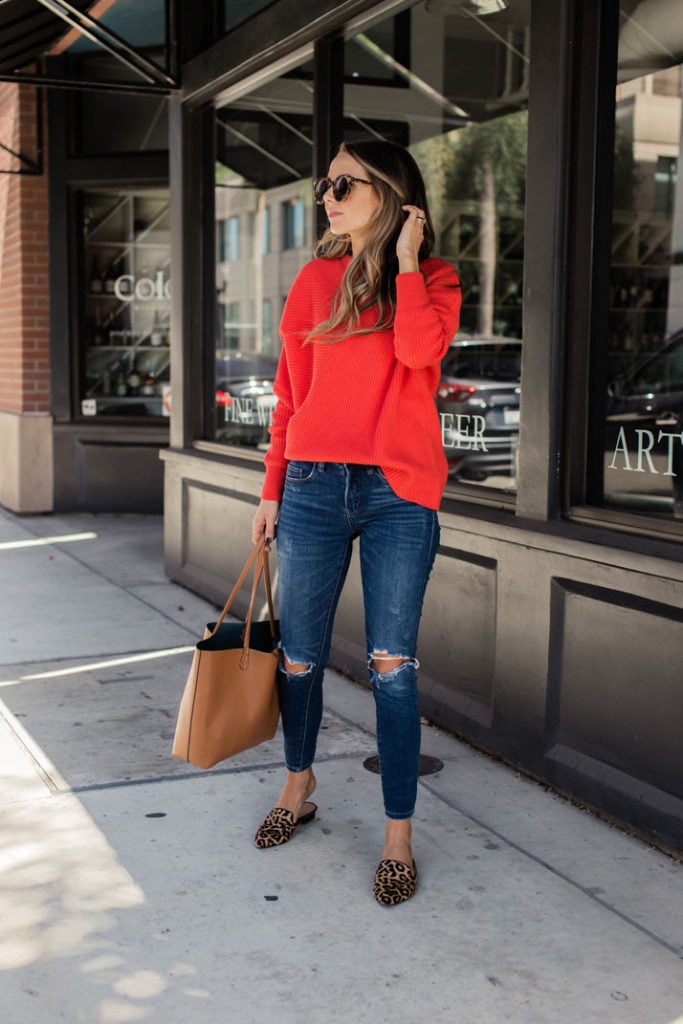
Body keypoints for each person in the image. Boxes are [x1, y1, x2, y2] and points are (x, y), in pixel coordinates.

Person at [250, 139, 462, 906]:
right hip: (309, 485)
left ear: (390, 193)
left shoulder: (433, 279)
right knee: (299, 657)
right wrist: (271, 489)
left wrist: (404, 260)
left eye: (343, 183)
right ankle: (297, 786)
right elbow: (288, 393)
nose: (327, 196)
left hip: (398, 494)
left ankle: (397, 835)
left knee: (390, 667)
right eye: (323, 184)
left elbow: (417, 351)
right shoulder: (313, 280)